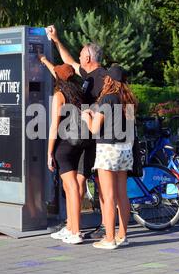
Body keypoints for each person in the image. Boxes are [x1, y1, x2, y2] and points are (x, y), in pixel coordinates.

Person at [46, 25, 107, 239]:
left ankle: (97, 230)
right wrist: (55, 40)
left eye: (81, 54)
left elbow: (111, 103)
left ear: (89, 57)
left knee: (98, 185)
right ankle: (72, 226)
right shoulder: (85, 75)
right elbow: (68, 63)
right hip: (85, 136)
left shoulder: (103, 78)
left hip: (98, 136)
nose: (78, 57)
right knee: (79, 183)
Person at [81, 65, 137, 249]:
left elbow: (95, 129)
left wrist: (86, 116)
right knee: (122, 195)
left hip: (108, 149)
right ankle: (122, 235)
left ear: (109, 80)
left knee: (108, 195)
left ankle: (109, 238)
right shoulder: (128, 99)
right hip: (125, 150)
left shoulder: (108, 99)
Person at [39, 55, 85, 245]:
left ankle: (75, 231)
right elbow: (59, 72)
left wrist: (49, 152)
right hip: (80, 143)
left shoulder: (59, 96)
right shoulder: (78, 92)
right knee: (70, 186)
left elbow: (53, 126)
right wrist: (44, 61)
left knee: (71, 186)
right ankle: (71, 227)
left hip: (64, 145)